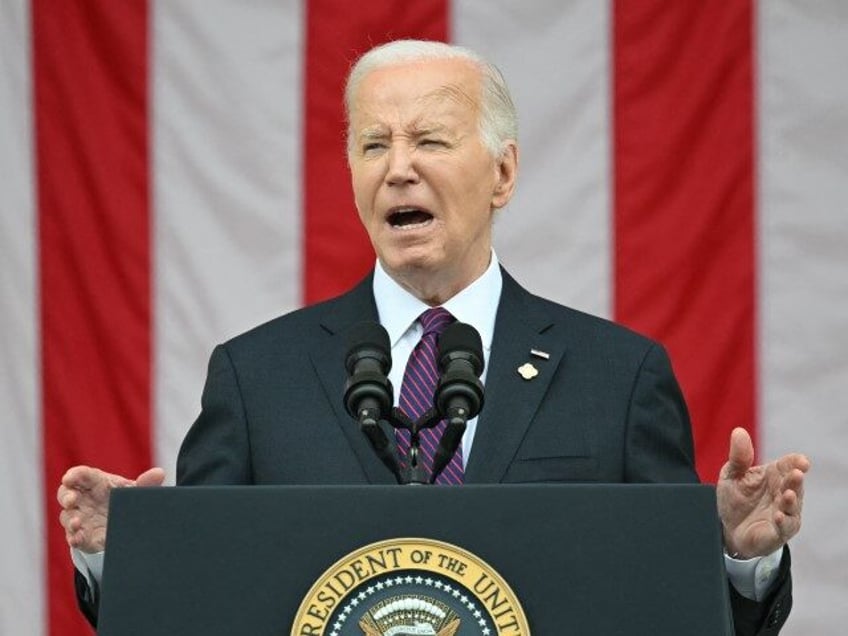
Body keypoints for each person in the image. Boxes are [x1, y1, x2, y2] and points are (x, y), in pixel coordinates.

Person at [58, 39, 809, 634]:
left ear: (503, 174)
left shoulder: (617, 376)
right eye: (373, 144)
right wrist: (121, 557)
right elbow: (202, 598)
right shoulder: (258, 377)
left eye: (430, 140)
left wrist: (736, 557)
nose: (399, 169)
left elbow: (674, 608)